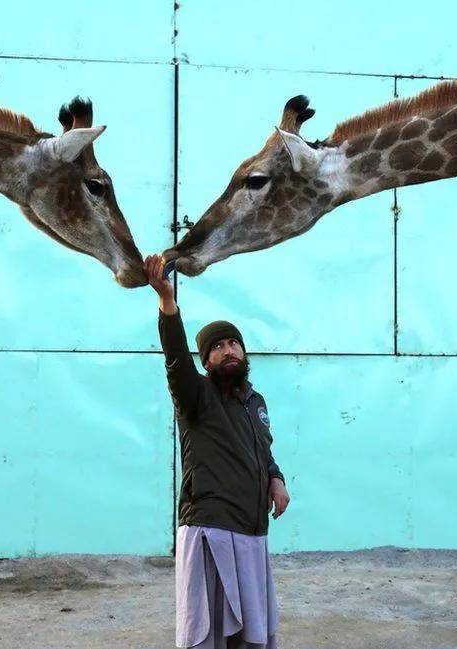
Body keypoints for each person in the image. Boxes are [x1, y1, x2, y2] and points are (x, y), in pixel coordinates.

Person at [145, 254, 290, 649]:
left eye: (234, 344)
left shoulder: (255, 401)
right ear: (206, 360)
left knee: (248, 636)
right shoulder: (197, 396)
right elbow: (175, 361)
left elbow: (264, 449)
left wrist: (276, 479)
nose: (228, 351)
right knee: (208, 636)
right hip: (210, 529)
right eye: (218, 347)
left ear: (243, 353)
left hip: (252, 530)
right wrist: (167, 304)